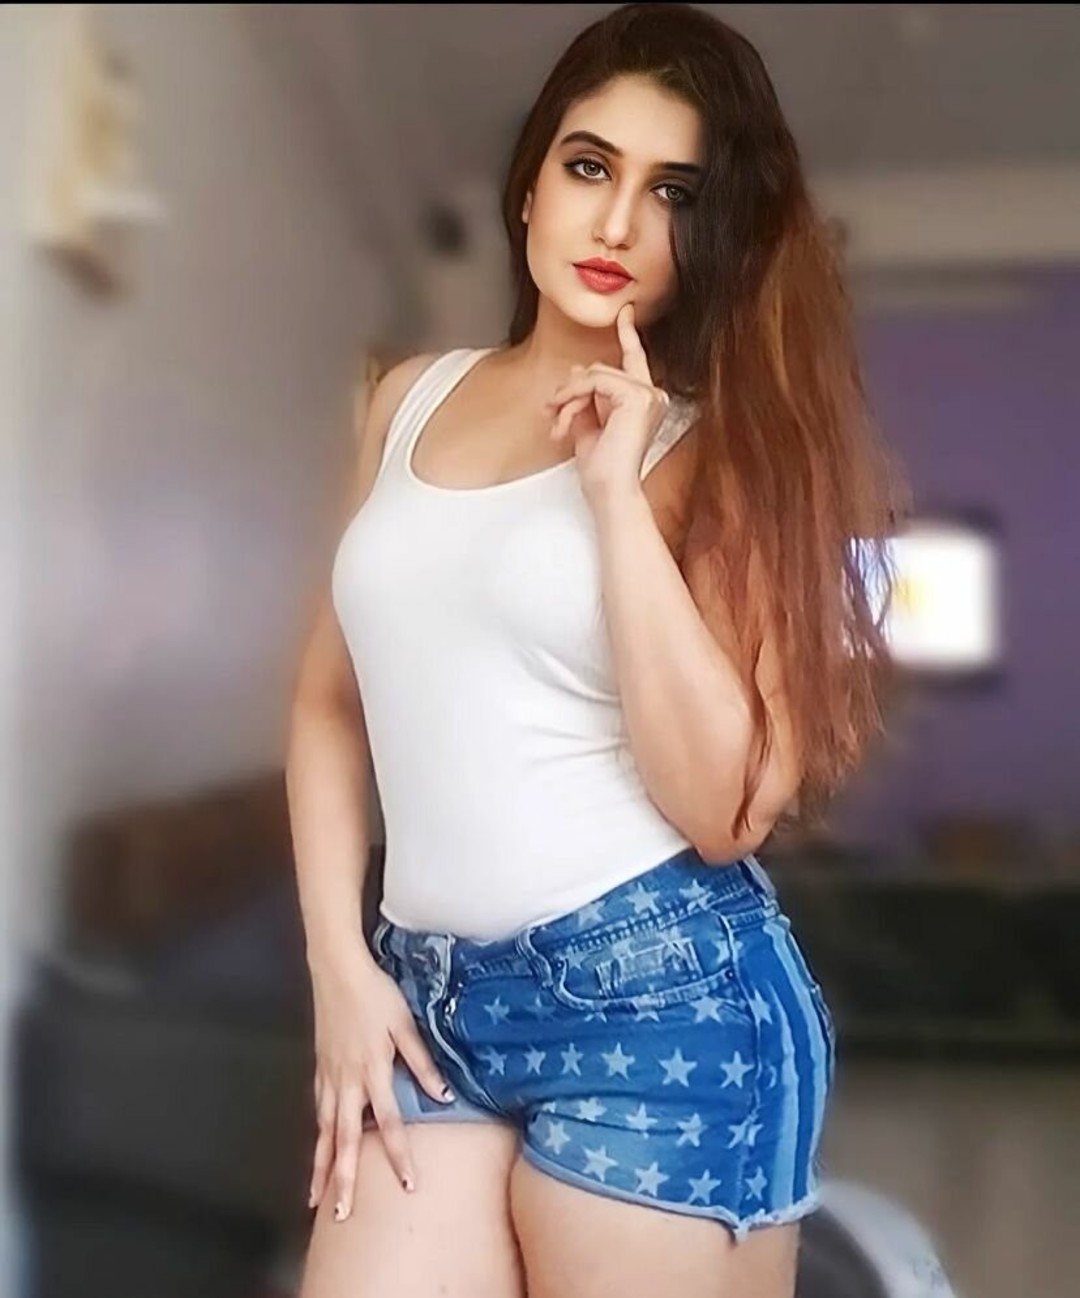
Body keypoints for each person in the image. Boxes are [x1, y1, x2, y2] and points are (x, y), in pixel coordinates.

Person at [285, 5, 905, 1297]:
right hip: (424, 992)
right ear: (529, 188)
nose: (617, 223)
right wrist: (339, 966)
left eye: (672, 192)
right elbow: (330, 707)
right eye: (589, 166)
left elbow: (727, 809)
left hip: (661, 1004)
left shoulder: (722, 449)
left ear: (711, 234)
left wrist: (614, 494)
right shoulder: (406, 401)